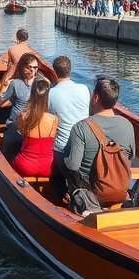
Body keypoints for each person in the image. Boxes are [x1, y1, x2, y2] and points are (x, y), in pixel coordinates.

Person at [62, 77, 135, 208]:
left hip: (90, 196)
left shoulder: (80, 127)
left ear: (95, 97)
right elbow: (130, 157)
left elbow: (73, 166)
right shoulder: (128, 125)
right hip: (118, 190)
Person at [47, 56, 91, 199]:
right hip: (85, 148)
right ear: (70, 71)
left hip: (62, 151)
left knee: (54, 178)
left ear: (54, 72)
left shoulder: (50, 94)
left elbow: (46, 119)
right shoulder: (84, 89)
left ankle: (61, 197)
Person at [0, 52, 42, 157]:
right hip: (17, 125)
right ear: (22, 67)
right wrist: (4, 86)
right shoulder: (15, 83)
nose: (32, 70)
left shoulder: (41, 84)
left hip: (28, 126)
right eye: (29, 67)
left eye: (35, 68)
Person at [13, 79, 59, 177]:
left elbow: (20, 133)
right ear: (47, 96)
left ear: (32, 94)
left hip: (25, 166)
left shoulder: (23, 116)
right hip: (48, 167)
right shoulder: (54, 119)